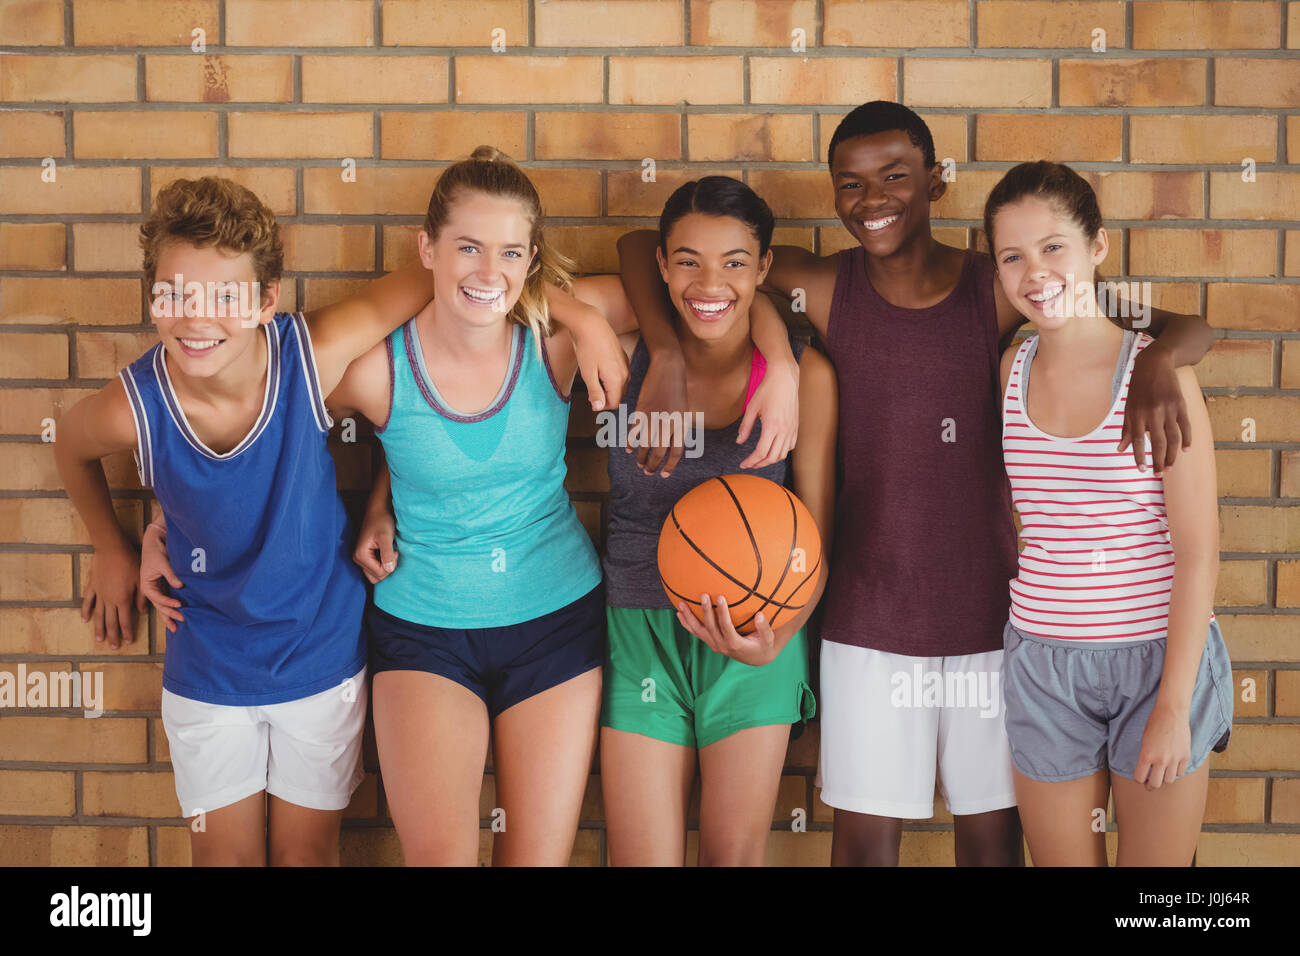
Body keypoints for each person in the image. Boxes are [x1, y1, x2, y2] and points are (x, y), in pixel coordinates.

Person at [617, 100, 1215, 866]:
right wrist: (667, 351)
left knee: (992, 845)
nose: (873, 201)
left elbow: (1174, 323)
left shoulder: (999, 283)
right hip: (868, 612)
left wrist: (1165, 360)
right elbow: (646, 246)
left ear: (936, 183)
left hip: (998, 620)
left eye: (895, 177)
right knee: (863, 848)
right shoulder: (828, 287)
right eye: (851, 184)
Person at [56, 175, 432, 865]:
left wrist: (381, 500)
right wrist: (111, 549)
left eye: (225, 296)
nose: (198, 320)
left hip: (321, 655)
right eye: (176, 293)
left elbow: (433, 274)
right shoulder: (133, 405)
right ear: (153, 298)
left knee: (304, 858)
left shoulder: (310, 357)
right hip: (208, 664)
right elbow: (69, 447)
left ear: (266, 299)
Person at [340, 147, 616, 865]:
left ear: (531, 262)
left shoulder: (551, 347)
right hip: (424, 629)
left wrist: (584, 320)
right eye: (467, 247)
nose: (488, 273)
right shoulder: (377, 367)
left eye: (510, 253)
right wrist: (165, 528)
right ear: (425, 249)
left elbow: (684, 284)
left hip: (554, 622)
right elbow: (263, 412)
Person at [563, 176, 837, 865]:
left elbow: (818, 546)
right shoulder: (627, 348)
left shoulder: (805, 377)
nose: (708, 282)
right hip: (638, 627)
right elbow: (526, 290)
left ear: (765, 269)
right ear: (661, 264)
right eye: (686, 260)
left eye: (736, 263)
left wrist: (779, 641)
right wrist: (639, 340)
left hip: (759, 632)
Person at [988, 160, 1232, 866]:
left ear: (1097, 246)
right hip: (1042, 660)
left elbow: (1198, 553)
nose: (1035, 272)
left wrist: (1172, 706)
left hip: (1156, 662)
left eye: (1053, 246)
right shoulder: (1012, 369)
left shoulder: (1159, 374)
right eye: (1013, 257)